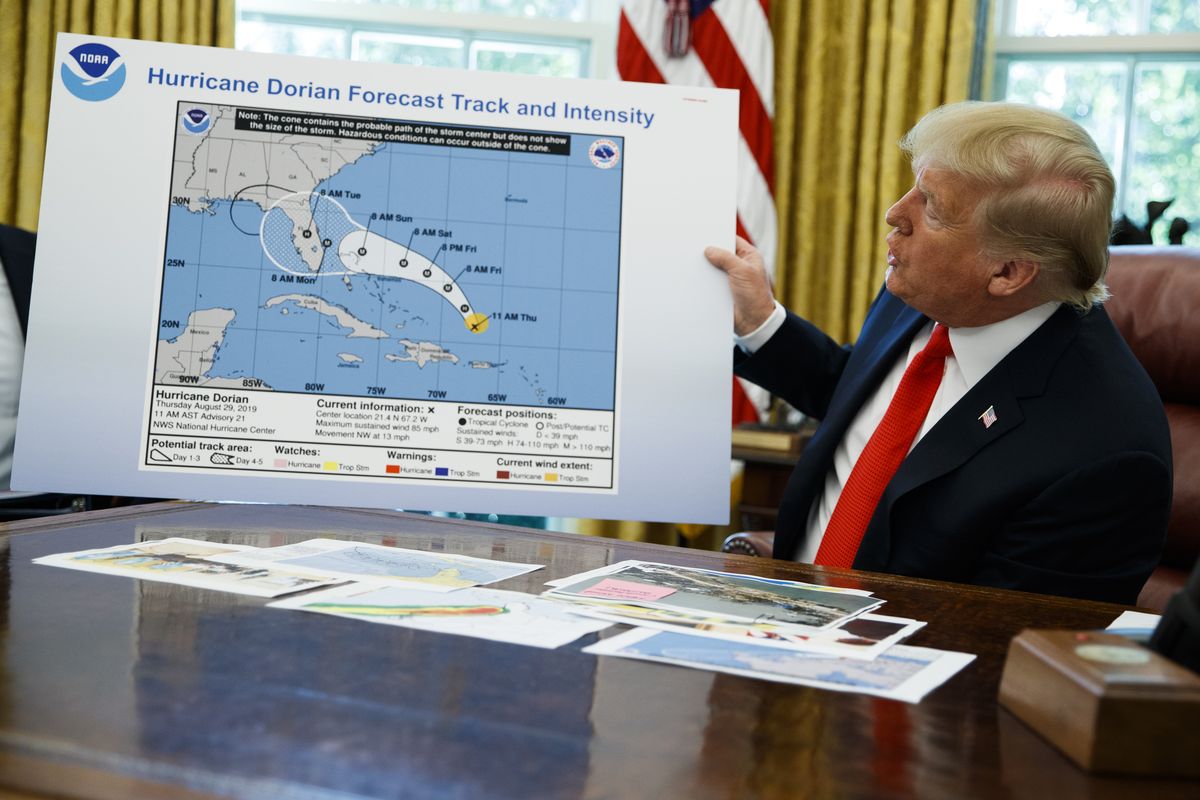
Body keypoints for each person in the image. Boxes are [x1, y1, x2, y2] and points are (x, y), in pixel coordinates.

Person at [705, 101, 1172, 605]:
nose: (895, 213)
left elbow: (998, 649)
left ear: (1007, 273)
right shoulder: (927, 290)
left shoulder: (1107, 454)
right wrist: (761, 322)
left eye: (931, 205)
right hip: (781, 607)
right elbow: (864, 399)